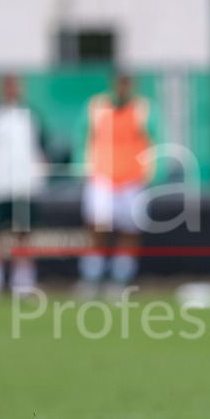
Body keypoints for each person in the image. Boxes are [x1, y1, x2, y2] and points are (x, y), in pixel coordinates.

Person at [76, 73, 154, 297]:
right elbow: (82, 136)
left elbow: (155, 139)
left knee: (130, 230)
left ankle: (120, 279)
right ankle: (91, 277)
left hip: (132, 179)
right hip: (101, 176)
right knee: (97, 226)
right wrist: (82, 166)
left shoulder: (143, 109)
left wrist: (153, 173)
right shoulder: (96, 107)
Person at [0, 74, 49, 296]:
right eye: (6, 86)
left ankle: (22, 282)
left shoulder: (30, 116)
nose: (11, 90)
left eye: (15, 85)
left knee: (23, 233)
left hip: (24, 186)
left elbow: (41, 148)